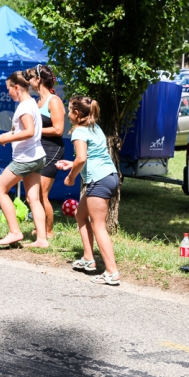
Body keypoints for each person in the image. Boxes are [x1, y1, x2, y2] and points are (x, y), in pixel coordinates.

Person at [55, 96, 121, 285]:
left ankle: (112, 272)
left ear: (76, 114)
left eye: (69, 110)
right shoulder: (94, 128)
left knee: (98, 226)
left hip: (98, 180)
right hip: (109, 176)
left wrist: (71, 177)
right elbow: (91, 156)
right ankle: (88, 259)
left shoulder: (79, 132)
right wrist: (71, 164)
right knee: (80, 214)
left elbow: (82, 158)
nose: (67, 114)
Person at [0, 71, 48, 248]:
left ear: (16, 87)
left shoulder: (24, 107)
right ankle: (42, 239)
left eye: (9, 88)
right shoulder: (31, 103)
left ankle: (14, 232)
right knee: (33, 198)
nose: (8, 92)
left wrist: (6, 139)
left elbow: (29, 131)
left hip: (25, 159)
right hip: (37, 156)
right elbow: (19, 130)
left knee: (0, 190)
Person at [27, 64, 65, 238]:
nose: (29, 81)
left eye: (31, 78)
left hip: (52, 150)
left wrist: (35, 130)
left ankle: (49, 232)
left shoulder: (54, 101)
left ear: (39, 79)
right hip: (38, 149)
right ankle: (39, 228)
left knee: (42, 194)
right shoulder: (37, 101)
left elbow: (58, 130)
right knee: (33, 194)